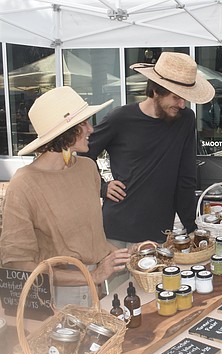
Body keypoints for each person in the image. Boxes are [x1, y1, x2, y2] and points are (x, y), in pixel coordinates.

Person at [0, 86, 132, 308]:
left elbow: (90, 241)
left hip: (95, 291)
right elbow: (19, 264)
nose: (91, 129)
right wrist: (94, 276)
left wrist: (132, 254)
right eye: (84, 124)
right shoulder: (24, 183)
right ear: (65, 132)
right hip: (56, 298)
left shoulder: (88, 168)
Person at [85, 52, 215, 246]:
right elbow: (82, 153)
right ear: (155, 91)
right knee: (120, 279)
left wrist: (191, 228)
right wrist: (102, 187)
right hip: (117, 230)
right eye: (176, 98)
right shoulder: (119, 119)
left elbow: (186, 177)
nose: (182, 104)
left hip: (159, 232)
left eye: (185, 98)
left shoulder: (185, 119)